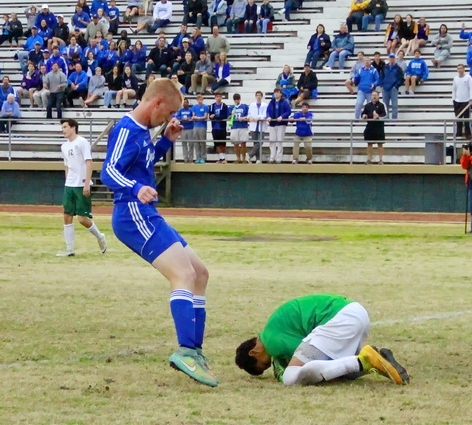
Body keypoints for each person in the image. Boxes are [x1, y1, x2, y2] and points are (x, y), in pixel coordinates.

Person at [100, 78, 218, 387]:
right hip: (132, 213)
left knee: (200, 273)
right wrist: (136, 188)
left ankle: (195, 350)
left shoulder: (142, 132)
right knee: (183, 276)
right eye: (169, 114)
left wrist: (165, 140)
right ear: (157, 104)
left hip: (146, 212)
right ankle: (186, 352)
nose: (170, 118)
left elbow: (142, 160)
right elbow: (109, 171)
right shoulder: (126, 129)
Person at [234, 294, 408, 386]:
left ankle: (365, 360)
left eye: (264, 363)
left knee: (290, 377)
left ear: (254, 351)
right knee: (334, 372)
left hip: (341, 319)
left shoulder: (271, 341)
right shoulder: (273, 328)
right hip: (354, 313)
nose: (271, 362)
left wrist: (283, 370)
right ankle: (378, 361)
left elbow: (302, 355)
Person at [56, 118, 109, 257]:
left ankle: (100, 237)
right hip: (70, 185)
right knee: (67, 215)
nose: (63, 130)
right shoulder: (64, 146)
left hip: (81, 184)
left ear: (73, 128)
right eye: (62, 127)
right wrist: (67, 181)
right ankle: (70, 249)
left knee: (82, 219)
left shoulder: (82, 142)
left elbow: (89, 163)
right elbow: (67, 166)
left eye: (65, 127)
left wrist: (86, 183)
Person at [362, 91, 386, 164]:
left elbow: (385, 115)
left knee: (380, 143)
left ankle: (381, 160)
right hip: (370, 126)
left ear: (378, 96)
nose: (374, 97)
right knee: (369, 143)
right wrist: (364, 115)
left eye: (375, 95)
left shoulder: (382, 105)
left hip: (379, 127)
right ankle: (369, 159)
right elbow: (363, 113)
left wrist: (378, 116)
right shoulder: (367, 105)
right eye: (373, 95)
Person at [266, 88, 290, 163]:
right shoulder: (271, 102)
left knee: (279, 141)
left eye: (278, 92)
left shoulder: (285, 102)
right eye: (275, 92)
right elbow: (268, 111)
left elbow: (288, 111)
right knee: (272, 141)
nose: (276, 94)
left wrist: (282, 116)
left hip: (281, 124)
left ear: (280, 94)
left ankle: (278, 158)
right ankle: (272, 157)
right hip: (272, 124)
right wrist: (268, 116)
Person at [451, 64, 472, 138]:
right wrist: (453, 99)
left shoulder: (468, 77)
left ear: (464, 69)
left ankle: (468, 134)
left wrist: (471, 99)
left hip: (466, 101)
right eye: (458, 69)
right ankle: (459, 134)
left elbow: (471, 88)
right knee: (458, 118)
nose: (459, 70)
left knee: (466, 119)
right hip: (457, 101)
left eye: (461, 68)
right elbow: (454, 89)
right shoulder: (455, 78)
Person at [379, 53, 403, 120]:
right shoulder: (385, 67)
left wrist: (396, 86)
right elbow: (381, 76)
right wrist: (381, 84)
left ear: (395, 59)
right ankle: (386, 118)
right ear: (389, 58)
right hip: (385, 88)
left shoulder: (398, 68)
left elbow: (401, 78)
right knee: (385, 105)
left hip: (393, 88)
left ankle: (394, 119)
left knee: (394, 105)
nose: (392, 59)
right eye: (390, 57)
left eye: (393, 58)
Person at [208, 92, 230, 164]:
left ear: (221, 97)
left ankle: (222, 158)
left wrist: (215, 117)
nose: (218, 98)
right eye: (217, 96)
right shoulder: (212, 106)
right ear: (215, 98)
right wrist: (213, 117)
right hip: (214, 128)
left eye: (220, 96)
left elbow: (224, 116)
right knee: (217, 144)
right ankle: (222, 158)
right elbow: (210, 116)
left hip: (222, 127)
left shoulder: (224, 106)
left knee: (223, 144)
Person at [247, 91, 268, 164]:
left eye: (260, 95)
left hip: (261, 126)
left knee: (260, 142)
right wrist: (251, 118)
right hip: (253, 126)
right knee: (255, 142)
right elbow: (249, 114)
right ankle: (258, 159)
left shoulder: (265, 105)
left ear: (262, 97)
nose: (258, 97)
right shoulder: (252, 105)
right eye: (257, 95)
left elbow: (265, 114)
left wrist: (258, 117)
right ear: (255, 96)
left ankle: (250, 154)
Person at [229, 93, 250, 163]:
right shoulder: (231, 107)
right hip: (234, 126)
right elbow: (228, 117)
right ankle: (238, 158)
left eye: (238, 99)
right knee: (236, 143)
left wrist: (243, 118)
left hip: (243, 126)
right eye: (235, 99)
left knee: (243, 143)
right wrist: (231, 114)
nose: (236, 101)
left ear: (240, 99)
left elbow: (249, 115)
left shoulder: (244, 106)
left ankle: (244, 158)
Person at [190, 93, 209, 163]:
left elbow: (205, 117)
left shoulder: (205, 107)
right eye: (198, 99)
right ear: (197, 100)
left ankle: (203, 157)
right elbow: (193, 116)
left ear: (202, 100)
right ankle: (198, 157)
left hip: (202, 126)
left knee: (202, 142)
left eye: (201, 99)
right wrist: (199, 118)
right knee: (196, 142)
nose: (200, 101)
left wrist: (197, 118)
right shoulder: (194, 107)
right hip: (196, 126)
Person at [176, 97, 195, 162]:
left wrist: (189, 118)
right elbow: (177, 117)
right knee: (184, 144)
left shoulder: (191, 110)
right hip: (183, 129)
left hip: (190, 128)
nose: (185, 103)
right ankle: (185, 158)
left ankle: (191, 158)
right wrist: (182, 118)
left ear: (188, 103)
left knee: (191, 144)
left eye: (186, 102)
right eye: (184, 102)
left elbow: (193, 117)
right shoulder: (180, 110)